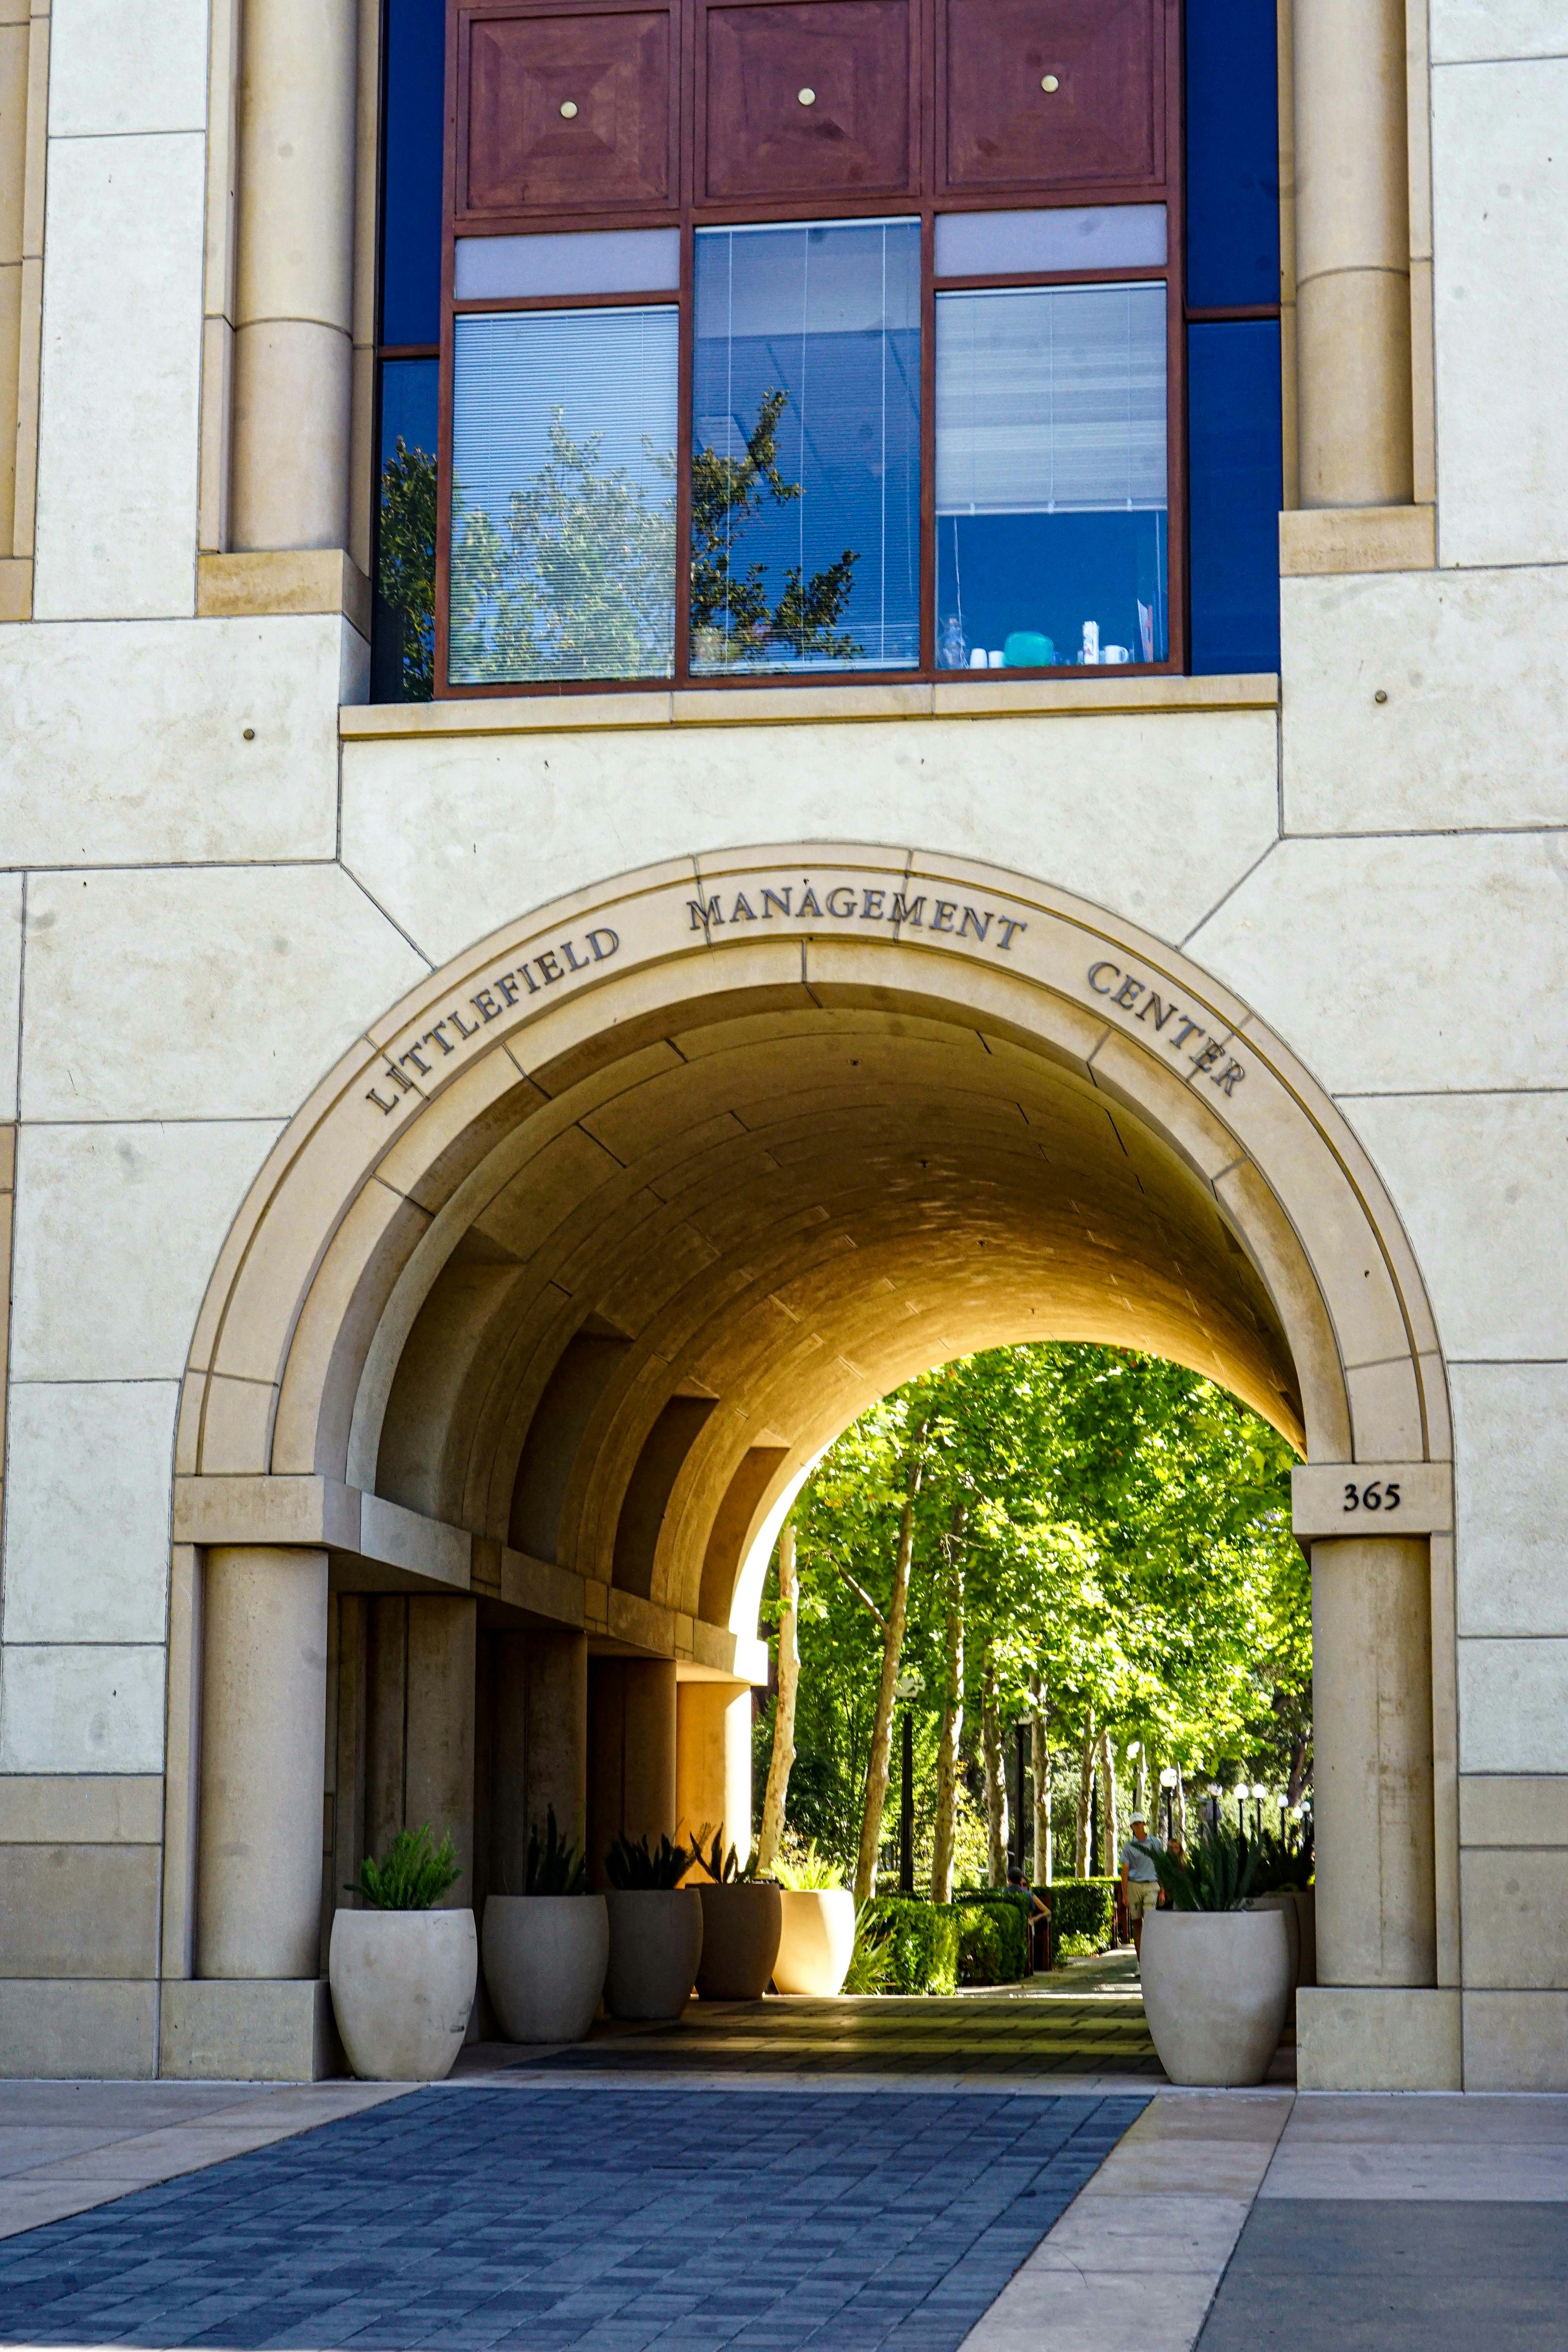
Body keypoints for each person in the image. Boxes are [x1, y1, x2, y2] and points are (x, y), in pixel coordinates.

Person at [1119, 1810, 1164, 1957]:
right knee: (1137, 1923)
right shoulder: (1128, 1847)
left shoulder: (1156, 1843)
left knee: (1150, 1921)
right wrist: (1125, 1894)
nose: (1137, 1826)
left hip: (1152, 1885)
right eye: (1134, 1824)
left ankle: (1151, 1958)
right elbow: (1125, 1871)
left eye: (1139, 1823)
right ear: (1132, 1827)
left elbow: (1161, 1866)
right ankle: (1140, 1961)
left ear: (1144, 1824)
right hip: (1134, 1886)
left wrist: (1163, 1890)